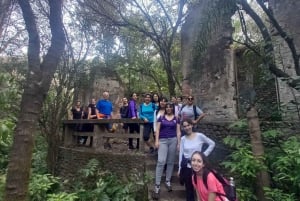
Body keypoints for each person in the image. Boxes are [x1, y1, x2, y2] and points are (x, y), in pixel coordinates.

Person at [178, 119, 215, 201]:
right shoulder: (183, 139)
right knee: (189, 190)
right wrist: (179, 169)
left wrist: (203, 156)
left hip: (199, 167)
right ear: (183, 128)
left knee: (201, 188)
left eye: (188, 125)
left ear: (192, 125)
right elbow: (181, 154)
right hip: (187, 167)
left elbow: (212, 144)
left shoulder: (199, 136)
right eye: (185, 126)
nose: (187, 127)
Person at [152, 102, 181, 200]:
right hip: (162, 141)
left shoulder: (176, 119)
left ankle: (168, 181)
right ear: (165, 109)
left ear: (172, 108)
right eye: (167, 107)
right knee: (161, 161)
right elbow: (158, 130)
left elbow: (178, 131)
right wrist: (156, 141)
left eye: (170, 107)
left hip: (173, 140)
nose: (168, 108)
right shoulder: (161, 117)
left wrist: (179, 143)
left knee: (170, 161)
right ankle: (157, 185)